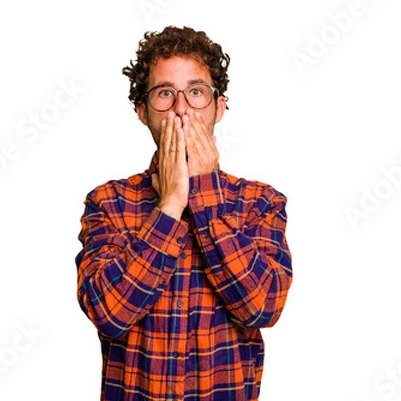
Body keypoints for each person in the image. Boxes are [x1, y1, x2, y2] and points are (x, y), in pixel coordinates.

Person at [75, 26, 293, 401]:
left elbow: (262, 308)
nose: (180, 108)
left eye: (195, 92)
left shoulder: (260, 202)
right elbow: (109, 314)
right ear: (143, 112)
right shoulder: (108, 202)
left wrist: (204, 195)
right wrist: (170, 205)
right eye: (164, 93)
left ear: (219, 108)